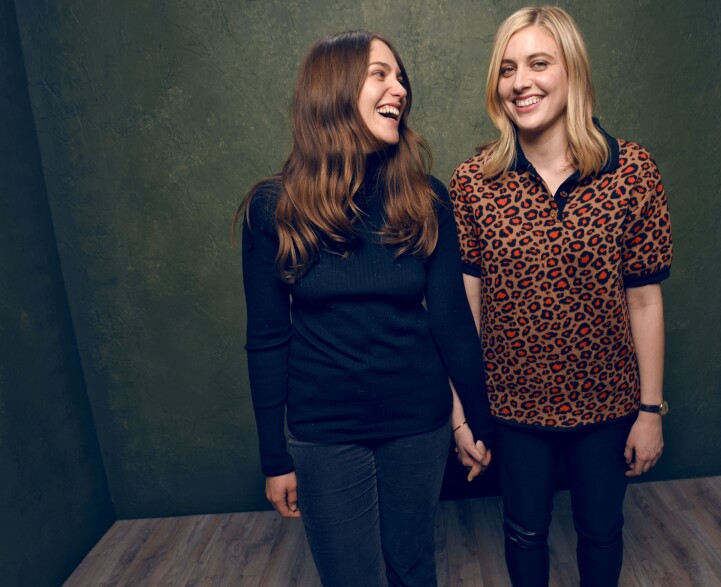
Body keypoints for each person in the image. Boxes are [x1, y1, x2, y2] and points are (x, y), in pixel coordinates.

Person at [236, 30, 493, 587]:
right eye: (381, 73)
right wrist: (274, 458)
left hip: (416, 424)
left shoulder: (426, 199)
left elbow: (451, 321)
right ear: (333, 91)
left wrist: (476, 420)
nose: (398, 87)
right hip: (325, 433)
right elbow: (266, 340)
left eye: (400, 76)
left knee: (412, 566)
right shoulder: (272, 209)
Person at [448, 7, 673, 586]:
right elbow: (462, 306)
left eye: (538, 63)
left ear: (572, 71)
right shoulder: (473, 181)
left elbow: (644, 301)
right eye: (506, 69)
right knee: (524, 532)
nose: (520, 81)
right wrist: (461, 412)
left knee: (601, 531)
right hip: (513, 406)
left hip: (607, 404)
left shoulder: (633, 172)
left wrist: (650, 410)